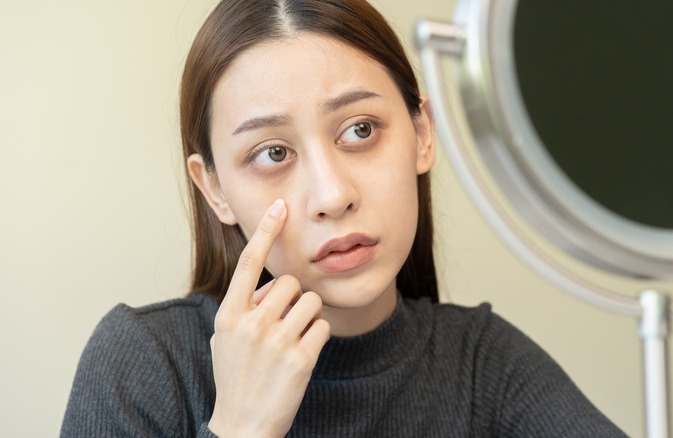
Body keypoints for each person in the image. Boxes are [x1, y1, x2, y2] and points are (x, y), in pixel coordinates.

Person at [61, 0, 627, 436]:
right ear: (215, 189)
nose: (332, 195)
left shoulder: (483, 365)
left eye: (360, 130)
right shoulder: (147, 362)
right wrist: (242, 426)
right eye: (273, 154)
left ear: (422, 133)